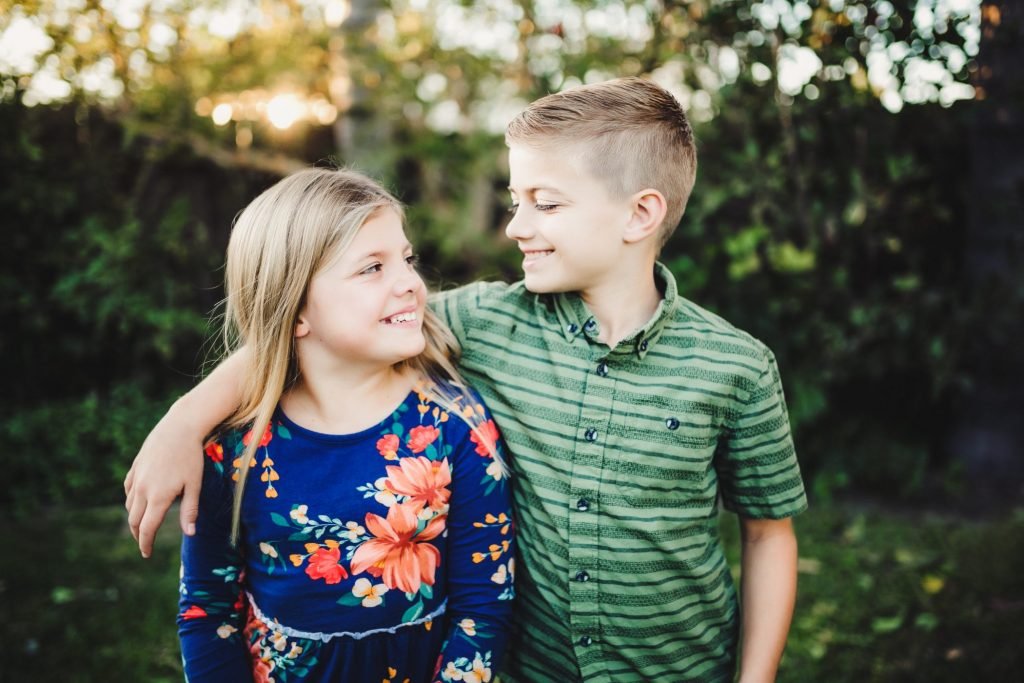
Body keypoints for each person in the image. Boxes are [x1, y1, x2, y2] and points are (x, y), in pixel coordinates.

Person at [126, 78, 806, 683]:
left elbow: (768, 533)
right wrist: (183, 422)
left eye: (544, 203)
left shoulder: (737, 367)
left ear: (640, 214)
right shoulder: (486, 319)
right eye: (516, 200)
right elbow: (309, 328)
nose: (516, 226)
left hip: (684, 666)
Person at [172, 167, 514, 683]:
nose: (410, 283)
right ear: (296, 313)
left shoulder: (454, 427)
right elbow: (206, 611)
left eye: (406, 259)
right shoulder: (235, 447)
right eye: (372, 268)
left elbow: (484, 607)